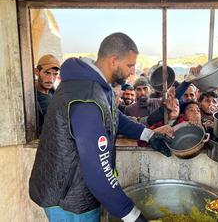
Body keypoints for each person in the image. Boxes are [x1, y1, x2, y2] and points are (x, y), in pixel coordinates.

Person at [29, 32, 174, 222]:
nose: (133, 72)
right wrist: (132, 215)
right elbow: (98, 172)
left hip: (72, 187)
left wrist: (148, 135)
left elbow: (115, 116)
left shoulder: (94, 85)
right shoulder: (86, 97)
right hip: (69, 199)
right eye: (130, 65)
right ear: (114, 60)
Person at [35, 54, 60, 134]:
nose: (51, 79)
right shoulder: (29, 97)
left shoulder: (55, 94)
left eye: (55, 74)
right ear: (37, 72)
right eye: (47, 73)